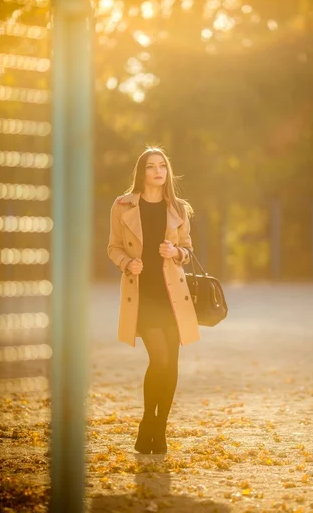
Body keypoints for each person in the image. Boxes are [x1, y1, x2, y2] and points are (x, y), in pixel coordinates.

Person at [107, 146, 200, 454]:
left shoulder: (178, 208)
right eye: (151, 166)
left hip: (173, 295)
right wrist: (126, 263)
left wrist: (176, 252)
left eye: (162, 166)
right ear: (142, 171)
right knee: (159, 359)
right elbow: (113, 247)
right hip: (142, 294)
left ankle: (158, 432)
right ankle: (149, 421)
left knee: (171, 363)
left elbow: (187, 249)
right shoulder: (122, 206)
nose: (158, 171)